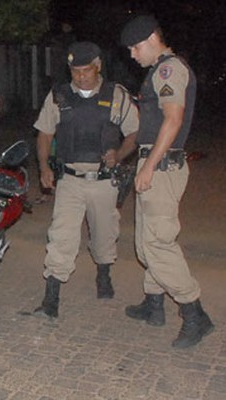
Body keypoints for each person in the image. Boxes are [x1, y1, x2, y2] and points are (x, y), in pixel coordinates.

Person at [120, 15, 214, 348]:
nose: (132, 55)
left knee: (159, 244)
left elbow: (173, 121)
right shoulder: (157, 73)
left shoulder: (168, 69)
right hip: (154, 164)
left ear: (151, 38)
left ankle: (195, 314)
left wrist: (148, 167)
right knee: (147, 243)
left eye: (134, 47)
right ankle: (153, 305)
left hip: (160, 167)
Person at [32, 41, 139, 319]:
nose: (80, 76)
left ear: (99, 66)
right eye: (75, 71)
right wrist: (44, 166)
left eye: (86, 70)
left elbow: (134, 133)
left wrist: (120, 153)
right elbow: (44, 133)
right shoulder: (59, 96)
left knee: (104, 236)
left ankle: (103, 274)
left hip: (104, 181)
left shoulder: (117, 95)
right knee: (61, 236)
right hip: (70, 179)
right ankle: (51, 298)